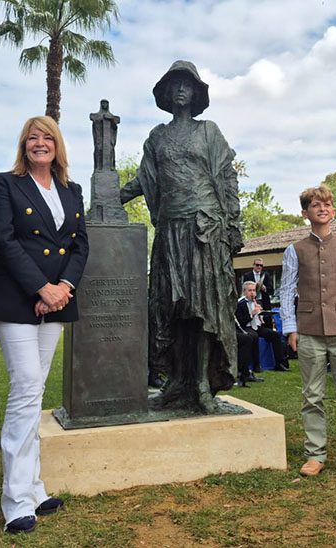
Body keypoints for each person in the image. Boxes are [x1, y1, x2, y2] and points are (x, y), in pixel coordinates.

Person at [0, 115, 88, 534]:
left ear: (58, 145)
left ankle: (35, 488)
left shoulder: (72, 190)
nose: (39, 143)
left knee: (34, 391)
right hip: (15, 300)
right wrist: (40, 288)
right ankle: (15, 502)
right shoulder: (4, 183)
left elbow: (80, 244)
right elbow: (3, 241)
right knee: (26, 388)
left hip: (57, 300)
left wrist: (61, 287)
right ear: (23, 145)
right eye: (32, 138)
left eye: (47, 137)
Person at [120, 60, 242, 413]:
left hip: (205, 228)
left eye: (187, 84)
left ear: (196, 93)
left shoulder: (209, 131)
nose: (180, 90)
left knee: (203, 309)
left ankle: (203, 386)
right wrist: (111, 194)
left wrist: (233, 224)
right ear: (167, 93)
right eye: (174, 85)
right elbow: (145, 179)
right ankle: (177, 383)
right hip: (171, 228)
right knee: (172, 309)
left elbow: (227, 178)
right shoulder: (157, 136)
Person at [279, 185, 336, 481]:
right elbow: (285, 291)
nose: (322, 208)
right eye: (315, 205)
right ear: (305, 213)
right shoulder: (294, 250)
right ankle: (315, 454)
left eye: (327, 204)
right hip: (308, 331)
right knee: (312, 395)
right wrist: (290, 327)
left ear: (333, 211)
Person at [236, 281, 290, 371]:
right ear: (244, 291)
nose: (252, 293)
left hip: (257, 327)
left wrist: (261, 315)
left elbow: (261, 318)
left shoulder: (256, 302)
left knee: (275, 335)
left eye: (254, 290)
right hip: (247, 327)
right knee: (254, 336)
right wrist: (252, 314)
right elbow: (240, 321)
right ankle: (256, 365)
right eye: (250, 290)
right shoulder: (240, 304)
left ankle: (279, 363)